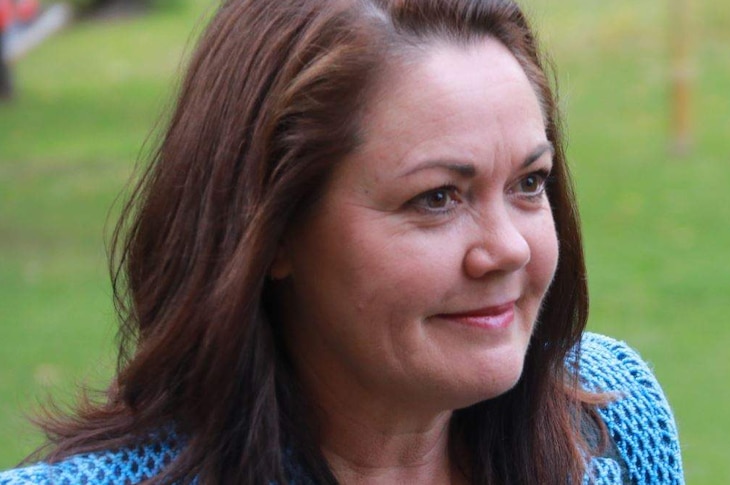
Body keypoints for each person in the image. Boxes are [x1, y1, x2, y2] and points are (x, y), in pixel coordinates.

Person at [0, 0, 684, 483]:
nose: (507, 248)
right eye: (437, 197)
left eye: (529, 182)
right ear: (272, 231)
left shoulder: (613, 426)